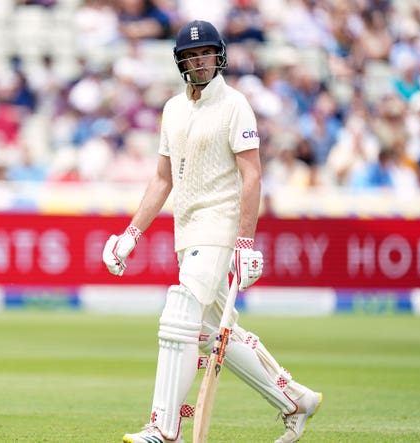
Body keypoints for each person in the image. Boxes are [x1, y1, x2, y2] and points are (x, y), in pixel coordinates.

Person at [102, 20, 322, 443]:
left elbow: (252, 175)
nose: (198, 61)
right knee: (207, 332)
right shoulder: (172, 109)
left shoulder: (236, 105)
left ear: (219, 56)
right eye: (190, 55)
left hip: (219, 225)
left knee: (179, 313)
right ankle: (295, 400)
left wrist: (244, 241)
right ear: (180, 61)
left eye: (205, 54)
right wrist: (131, 235)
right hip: (186, 231)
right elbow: (162, 179)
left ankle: (165, 429)